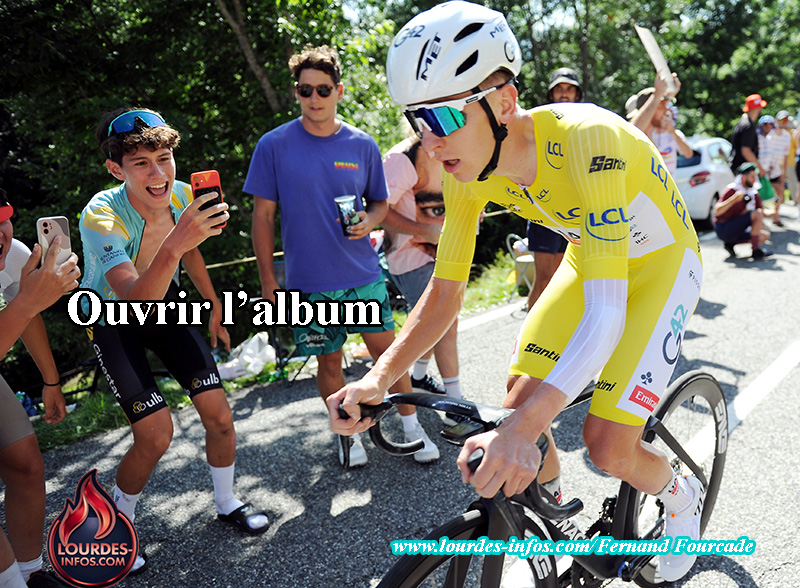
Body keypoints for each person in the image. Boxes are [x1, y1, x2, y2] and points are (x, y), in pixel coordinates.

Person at [328, 2, 706, 582]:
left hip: (663, 265)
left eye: (443, 117)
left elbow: (606, 313)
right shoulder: (466, 169)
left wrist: (523, 429)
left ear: (504, 101)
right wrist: (380, 378)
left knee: (606, 446)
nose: (430, 142)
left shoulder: (589, 140)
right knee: (518, 401)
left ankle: (681, 496)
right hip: (592, 255)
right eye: (416, 122)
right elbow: (445, 293)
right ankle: (555, 528)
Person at [80, 107, 269, 576]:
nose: (158, 174)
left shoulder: (183, 194)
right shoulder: (101, 214)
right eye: (141, 163)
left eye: (164, 158)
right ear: (116, 169)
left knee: (220, 417)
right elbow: (132, 295)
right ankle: (116, 528)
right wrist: (177, 239)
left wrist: (213, 304)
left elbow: (191, 254)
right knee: (155, 434)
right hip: (114, 314)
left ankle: (226, 502)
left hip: (166, 304)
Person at [246, 46, 439, 467]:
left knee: (389, 357)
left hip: (362, 276)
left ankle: (412, 428)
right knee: (329, 362)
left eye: (323, 89)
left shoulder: (361, 143)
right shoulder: (273, 145)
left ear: (339, 90)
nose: (314, 98)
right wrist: (267, 281)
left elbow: (380, 203)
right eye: (305, 90)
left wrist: (370, 220)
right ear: (296, 92)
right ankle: (347, 435)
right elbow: (262, 216)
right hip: (308, 283)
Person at [0, 189, 81, 587]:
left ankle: (31, 573)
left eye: (1, 220)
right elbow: (23, 308)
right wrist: (28, 302)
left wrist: (52, 380)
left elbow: (26, 314)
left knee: (26, 463)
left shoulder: (14, 253)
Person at [381, 135, 463, 403]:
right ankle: (456, 405)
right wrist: (424, 230)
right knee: (444, 322)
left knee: (435, 324)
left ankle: (418, 378)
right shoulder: (402, 158)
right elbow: (377, 210)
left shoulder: (455, 147)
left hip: (450, 251)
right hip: (411, 258)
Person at [522, 68, 581, 311]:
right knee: (544, 278)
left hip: (573, 210)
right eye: (559, 88)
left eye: (569, 88)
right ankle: (528, 330)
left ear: (577, 94)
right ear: (551, 93)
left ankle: (555, 329)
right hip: (544, 209)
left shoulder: (585, 121)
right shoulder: (536, 121)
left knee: (562, 280)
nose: (564, 93)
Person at [627, 73, 694, 177]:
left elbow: (689, 154)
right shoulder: (638, 137)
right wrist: (657, 95)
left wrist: (670, 92)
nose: (666, 110)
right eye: (661, 106)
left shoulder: (657, 132)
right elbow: (634, 130)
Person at [713, 163, 772, 260]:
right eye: (752, 177)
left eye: (755, 177)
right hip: (724, 228)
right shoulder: (733, 190)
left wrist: (775, 210)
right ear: (744, 177)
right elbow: (717, 211)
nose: (754, 179)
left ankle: (730, 243)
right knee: (756, 214)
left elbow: (762, 213)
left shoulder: (753, 193)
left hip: (740, 228)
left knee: (764, 236)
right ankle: (756, 251)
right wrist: (734, 199)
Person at [731, 94, 767, 176]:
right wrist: (760, 169)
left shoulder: (742, 121)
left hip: (738, 168)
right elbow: (746, 151)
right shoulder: (748, 126)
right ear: (757, 108)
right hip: (744, 170)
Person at [767, 110, 793, 224]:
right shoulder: (769, 132)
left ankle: (775, 215)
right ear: (776, 120)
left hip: (777, 169)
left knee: (780, 193)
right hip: (765, 168)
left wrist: (784, 172)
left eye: (786, 120)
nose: (784, 122)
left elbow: (786, 155)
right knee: (761, 194)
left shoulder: (787, 136)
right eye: (782, 119)